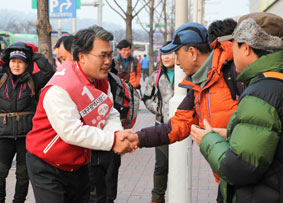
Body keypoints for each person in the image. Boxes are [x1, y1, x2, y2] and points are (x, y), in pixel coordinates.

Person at [123, 22, 240, 202]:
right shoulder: (198, 85)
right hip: (227, 177)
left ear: (192, 52)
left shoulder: (234, 73)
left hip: (249, 179)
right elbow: (177, 126)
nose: (177, 62)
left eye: (178, 54)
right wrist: (139, 138)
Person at [190, 12, 283, 202]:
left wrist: (207, 141)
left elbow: (239, 168)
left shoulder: (260, 93)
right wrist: (232, 133)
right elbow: (281, 140)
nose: (232, 51)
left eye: (234, 44)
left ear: (246, 48)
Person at [25, 25, 136, 203]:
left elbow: (108, 112)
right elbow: (72, 132)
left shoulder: (101, 80)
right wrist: (113, 141)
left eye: (110, 54)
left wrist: (117, 134)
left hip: (78, 164)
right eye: (102, 55)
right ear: (82, 56)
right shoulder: (60, 87)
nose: (108, 61)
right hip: (47, 165)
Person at [0, 42, 54, 203]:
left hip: (27, 135)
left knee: (23, 174)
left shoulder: (33, 81)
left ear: (27, 64)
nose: (16, 65)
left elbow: (48, 71)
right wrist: (4, 56)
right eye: (13, 61)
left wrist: (31, 53)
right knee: (0, 171)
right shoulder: (1, 78)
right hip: (3, 135)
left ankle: (19, 200)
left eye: (21, 61)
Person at [142, 41, 174, 203]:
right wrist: (158, 109)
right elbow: (146, 98)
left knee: (180, 164)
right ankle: (157, 197)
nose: (166, 57)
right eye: (163, 53)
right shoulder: (156, 76)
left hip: (183, 126)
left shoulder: (187, 74)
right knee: (161, 164)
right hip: (161, 126)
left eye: (170, 53)